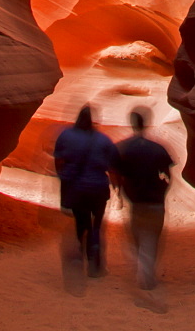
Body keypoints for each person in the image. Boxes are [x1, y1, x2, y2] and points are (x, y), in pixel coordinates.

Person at [113, 108, 174, 293]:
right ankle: (146, 276)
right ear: (145, 123)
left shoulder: (123, 148)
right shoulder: (158, 148)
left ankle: (142, 272)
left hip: (135, 201)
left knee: (137, 238)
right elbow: (168, 175)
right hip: (155, 201)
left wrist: (119, 192)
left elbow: (115, 173)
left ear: (131, 123)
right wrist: (163, 191)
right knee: (151, 239)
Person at [54, 104, 116, 281]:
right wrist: (117, 187)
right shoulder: (103, 139)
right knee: (97, 225)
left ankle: (80, 254)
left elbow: (59, 161)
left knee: (82, 223)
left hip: (77, 189)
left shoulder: (66, 136)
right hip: (98, 189)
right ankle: (95, 260)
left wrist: (63, 178)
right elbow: (112, 166)